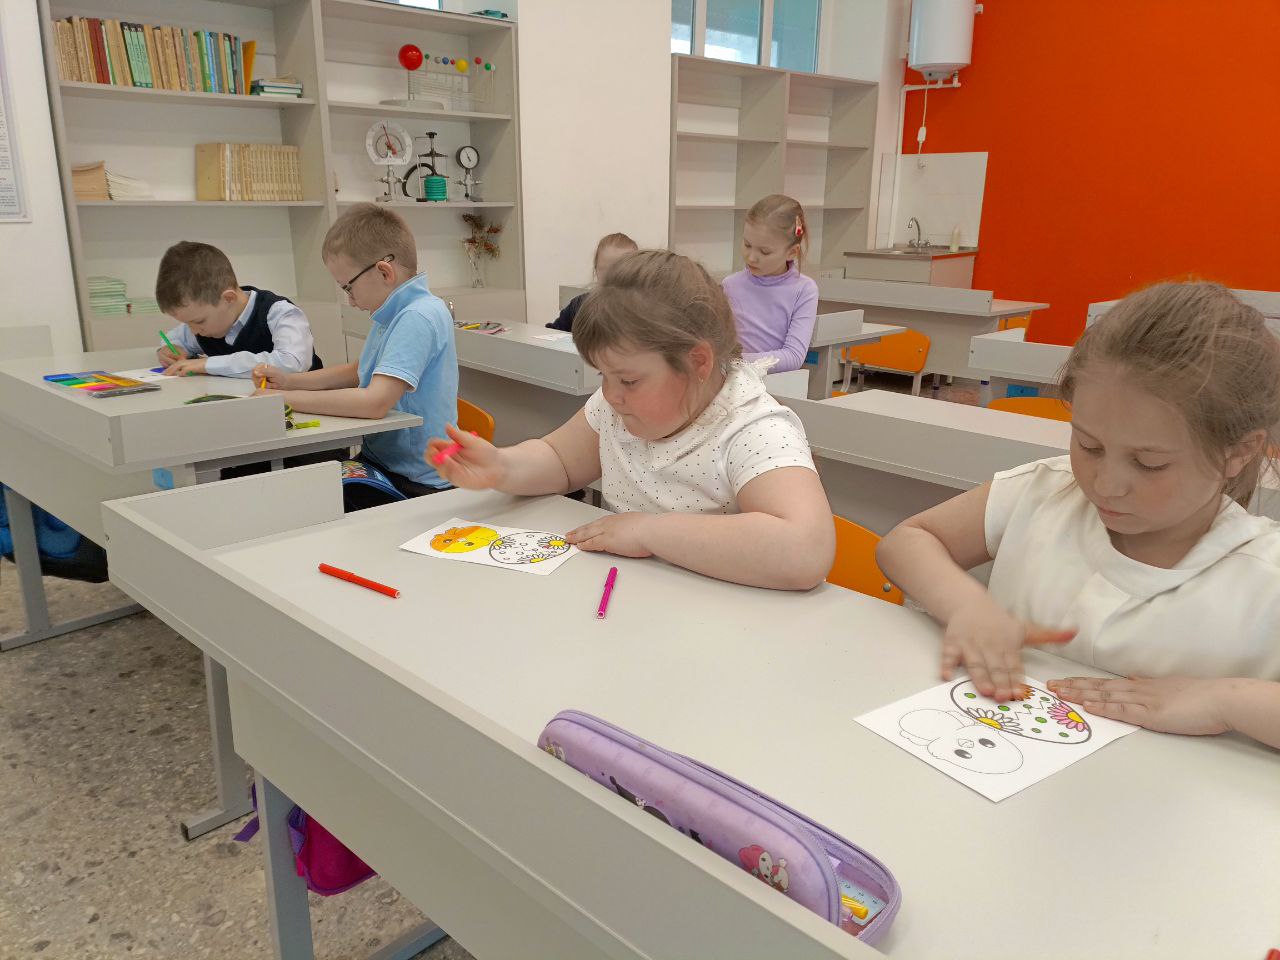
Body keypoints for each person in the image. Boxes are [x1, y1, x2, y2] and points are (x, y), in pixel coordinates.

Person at [876, 282, 1280, 722]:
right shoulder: (1046, 491)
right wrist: (967, 606)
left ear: (1239, 452)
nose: (1106, 485)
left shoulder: (1264, 576)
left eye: (1149, 463)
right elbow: (907, 540)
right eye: (1089, 445)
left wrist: (1225, 702)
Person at [429, 249, 835, 590]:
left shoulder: (752, 428)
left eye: (627, 380)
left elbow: (805, 549)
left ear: (697, 362)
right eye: (603, 376)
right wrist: (502, 466)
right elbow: (560, 460)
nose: (610, 394)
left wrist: (647, 532)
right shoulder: (618, 407)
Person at [254, 203, 457, 508]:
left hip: (415, 479)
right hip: (384, 461)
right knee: (305, 495)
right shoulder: (394, 311)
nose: (350, 301)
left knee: (306, 507)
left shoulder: (417, 316)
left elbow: (374, 403)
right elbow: (358, 370)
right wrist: (289, 381)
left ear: (384, 272)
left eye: (348, 287)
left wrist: (283, 399)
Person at [155, 240, 319, 377]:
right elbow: (176, 340)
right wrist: (170, 350)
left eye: (198, 321)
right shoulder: (204, 325)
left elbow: (292, 363)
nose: (194, 331)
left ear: (228, 298)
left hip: (300, 402)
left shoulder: (279, 313)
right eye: (187, 323)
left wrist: (208, 364)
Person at [721, 194, 818, 374]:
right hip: (732, 380)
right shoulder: (730, 285)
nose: (751, 257)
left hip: (776, 384)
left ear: (792, 252)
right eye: (747, 245)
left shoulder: (804, 290)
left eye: (764, 252)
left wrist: (736, 361)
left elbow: (793, 356)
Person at [547, 232, 638, 332]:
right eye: (607, 271)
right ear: (596, 270)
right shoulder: (579, 306)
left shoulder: (644, 312)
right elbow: (552, 333)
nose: (614, 278)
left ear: (638, 272)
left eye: (623, 271)